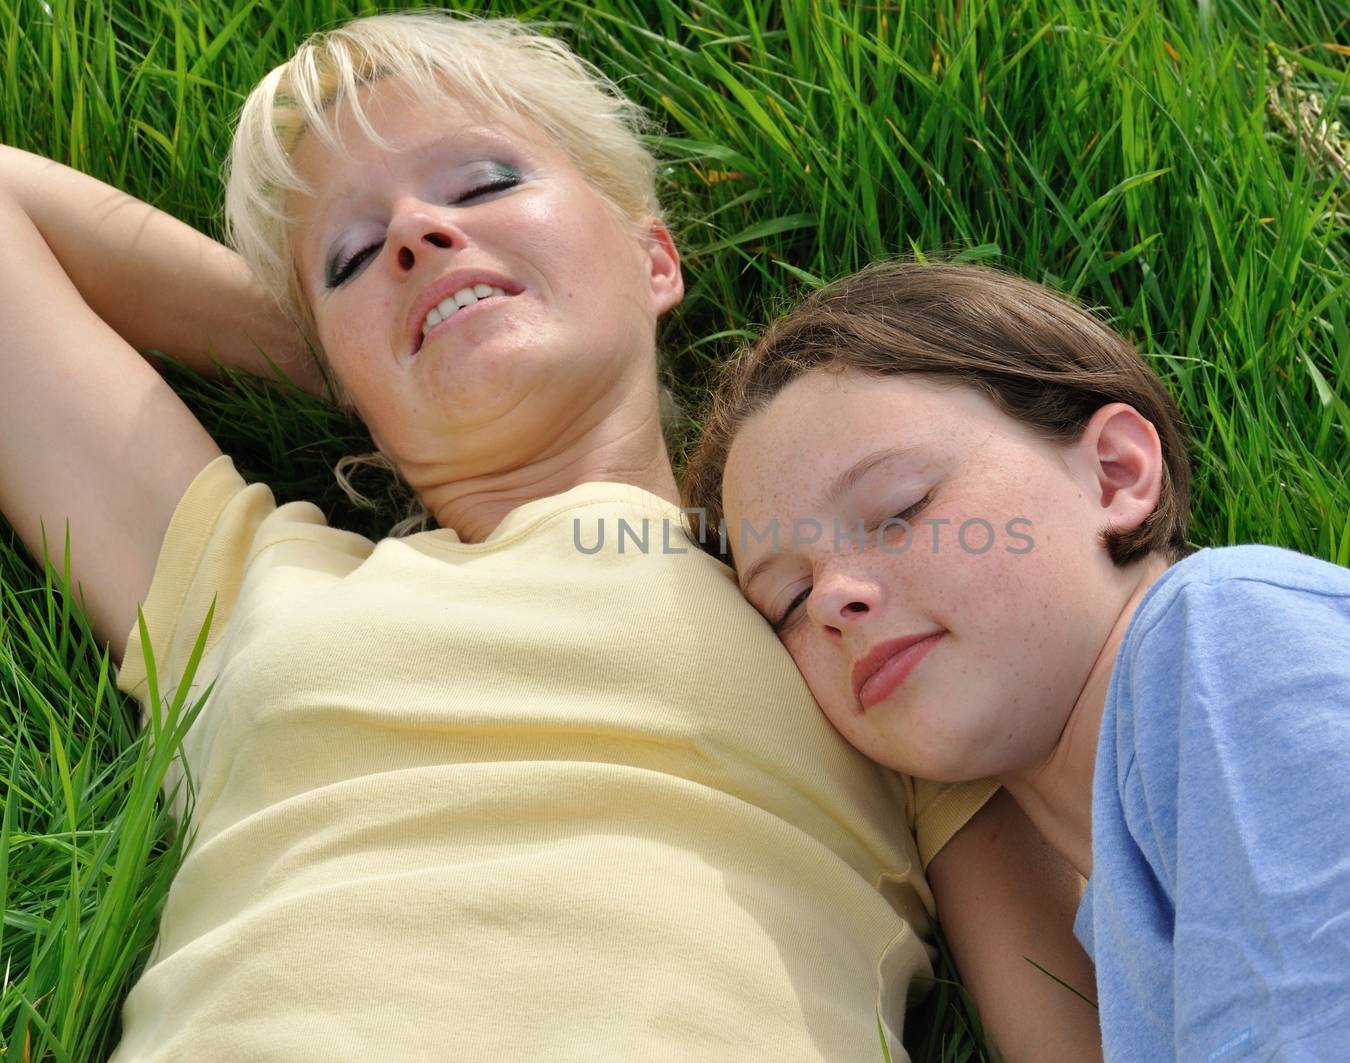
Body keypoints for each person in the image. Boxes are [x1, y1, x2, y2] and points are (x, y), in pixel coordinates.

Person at [0, 14, 1100, 1062]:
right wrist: (356, 345)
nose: (419, 234)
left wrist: (391, 316)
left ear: (655, 260)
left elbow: (1070, 1018)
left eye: (483, 184)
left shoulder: (843, 607)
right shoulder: (247, 587)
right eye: (350, 251)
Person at [683, 260, 1350, 1061]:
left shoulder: (1224, 643)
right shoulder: (1133, 916)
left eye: (900, 506)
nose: (837, 595)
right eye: (788, 601)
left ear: (1115, 474)